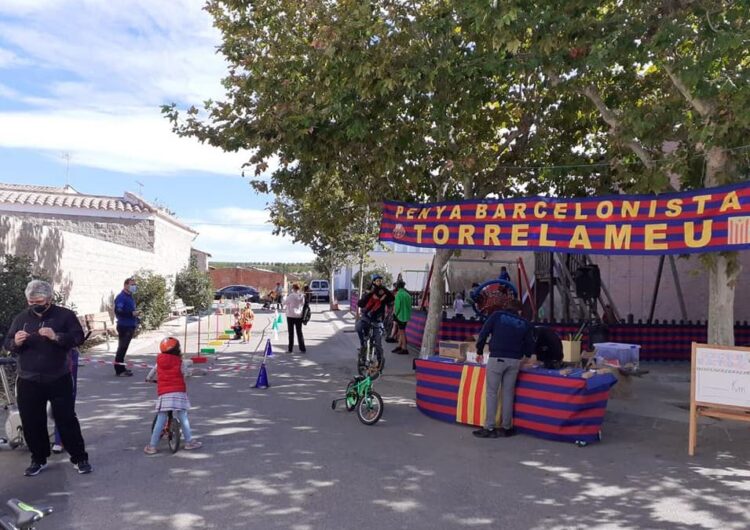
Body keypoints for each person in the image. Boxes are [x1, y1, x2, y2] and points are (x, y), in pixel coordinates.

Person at [3, 280, 93, 476]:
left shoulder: (64, 316)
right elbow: (8, 342)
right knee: (32, 421)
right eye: (30, 301)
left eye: (39, 300)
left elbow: (78, 338)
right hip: (28, 378)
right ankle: (38, 458)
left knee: (66, 418)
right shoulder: (21, 318)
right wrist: (15, 342)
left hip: (57, 376)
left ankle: (79, 458)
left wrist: (57, 337)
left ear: (49, 299)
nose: (35, 304)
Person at [473, 299, 534, 439]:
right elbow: (530, 344)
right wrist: (526, 356)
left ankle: (489, 428)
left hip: (497, 359)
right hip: (514, 361)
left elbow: (484, 333)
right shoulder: (525, 323)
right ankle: (507, 427)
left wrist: (479, 351)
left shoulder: (497, 315)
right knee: (508, 393)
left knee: (492, 393)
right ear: (518, 310)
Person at [144, 337, 202, 454]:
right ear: (177, 349)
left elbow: (151, 373)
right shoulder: (179, 362)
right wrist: (189, 375)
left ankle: (152, 446)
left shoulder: (159, 362)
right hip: (179, 393)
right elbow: (186, 373)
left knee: (161, 419)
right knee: (183, 418)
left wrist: (149, 379)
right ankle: (189, 442)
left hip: (164, 394)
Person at [356, 275, 394, 369]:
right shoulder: (369, 291)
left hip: (378, 320)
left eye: (381, 281)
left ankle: (380, 362)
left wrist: (385, 293)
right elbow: (360, 303)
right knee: (358, 328)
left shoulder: (384, 292)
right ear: (373, 282)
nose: (379, 283)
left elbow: (392, 299)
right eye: (377, 281)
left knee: (378, 343)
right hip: (366, 318)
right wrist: (370, 293)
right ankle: (363, 347)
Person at [113, 277, 139, 376]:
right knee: (122, 348)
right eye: (132, 284)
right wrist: (131, 314)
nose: (134, 286)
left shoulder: (130, 296)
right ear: (125, 285)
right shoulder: (121, 297)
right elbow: (118, 311)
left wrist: (136, 316)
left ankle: (122, 367)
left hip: (130, 325)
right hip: (124, 326)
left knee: (124, 348)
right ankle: (119, 370)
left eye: (134, 284)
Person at [285, 284, 306, 353]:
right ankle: (302, 349)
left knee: (291, 333)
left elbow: (284, 303)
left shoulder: (291, 296)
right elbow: (303, 304)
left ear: (293, 289)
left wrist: (284, 297)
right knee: (299, 332)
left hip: (290, 315)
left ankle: (290, 349)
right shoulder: (301, 296)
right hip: (299, 316)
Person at [392, 280, 412, 355]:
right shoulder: (407, 295)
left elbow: (397, 307)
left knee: (402, 332)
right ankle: (399, 346)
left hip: (400, 315)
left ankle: (404, 348)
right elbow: (410, 306)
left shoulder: (398, 295)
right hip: (406, 315)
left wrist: (395, 314)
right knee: (401, 331)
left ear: (397, 286)